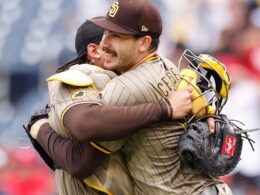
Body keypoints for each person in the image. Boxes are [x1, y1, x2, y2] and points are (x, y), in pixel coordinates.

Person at [31, 0, 233, 194]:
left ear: (144, 43)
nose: (105, 43)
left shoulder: (124, 88)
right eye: (106, 33)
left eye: (116, 36)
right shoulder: (168, 65)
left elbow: (79, 161)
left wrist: (39, 128)